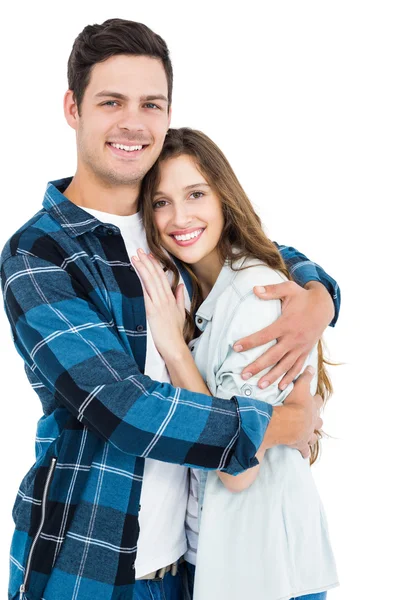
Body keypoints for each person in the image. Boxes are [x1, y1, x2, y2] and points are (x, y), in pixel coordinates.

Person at [0, 19, 340, 600]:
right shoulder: (41, 253)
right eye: (111, 101)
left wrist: (320, 298)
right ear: (73, 108)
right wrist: (277, 426)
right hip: (88, 569)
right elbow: (126, 409)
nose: (134, 122)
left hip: (194, 570)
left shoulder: (173, 229)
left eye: (151, 103)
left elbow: (266, 252)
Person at [134, 127, 339, 600]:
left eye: (196, 194)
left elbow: (237, 469)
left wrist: (174, 347)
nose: (179, 216)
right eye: (161, 202)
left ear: (225, 198)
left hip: (264, 571)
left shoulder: (255, 296)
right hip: (219, 559)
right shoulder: (198, 289)